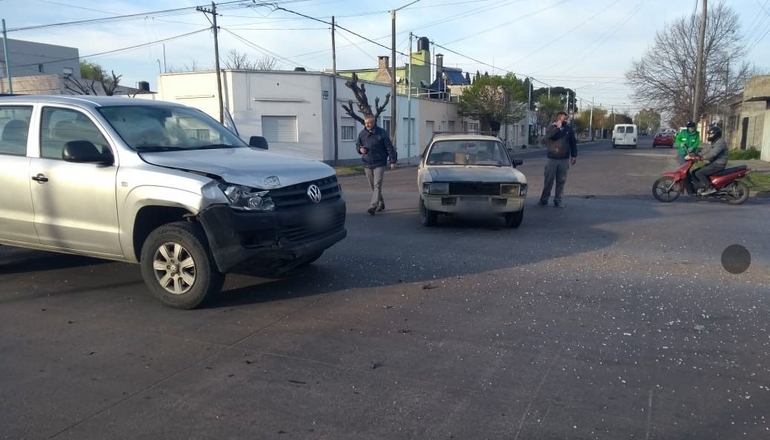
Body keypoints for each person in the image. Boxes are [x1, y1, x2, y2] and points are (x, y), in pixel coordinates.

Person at [356, 115, 397, 215]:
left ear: (374, 122)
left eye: (369, 123)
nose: (367, 125)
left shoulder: (382, 133)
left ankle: (373, 206)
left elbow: (390, 148)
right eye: (366, 123)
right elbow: (358, 145)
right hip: (367, 163)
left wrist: (392, 161)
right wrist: (360, 149)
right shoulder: (362, 134)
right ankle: (381, 202)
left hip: (379, 163)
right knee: (372, 186)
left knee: (377, 184)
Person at [537, 111, 577, 208]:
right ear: (558, 118)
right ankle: (544, 199)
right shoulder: (552, 128)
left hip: (564, 159)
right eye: (564, 118)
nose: (566, 120)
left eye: (566, 118)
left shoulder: (568, 129)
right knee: (548, 180)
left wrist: (574, 155)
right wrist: (557, 128)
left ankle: (558, 200)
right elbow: (549, 137)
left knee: (561, 181)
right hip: (552, 158)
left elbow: (573, 143)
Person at [692, 126, 728, 195]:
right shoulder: (715, 142)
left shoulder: (720, 143)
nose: (709, 136)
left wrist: (703, 158)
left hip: (718, 165)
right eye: (709, 134)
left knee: (699, 173)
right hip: (714, 163)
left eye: (711, 134)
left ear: (716, 134)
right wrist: (697, 154)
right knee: (694, 172)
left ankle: (710, 188)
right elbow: (707, 150)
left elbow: (713, 153)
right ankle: (701, 187)